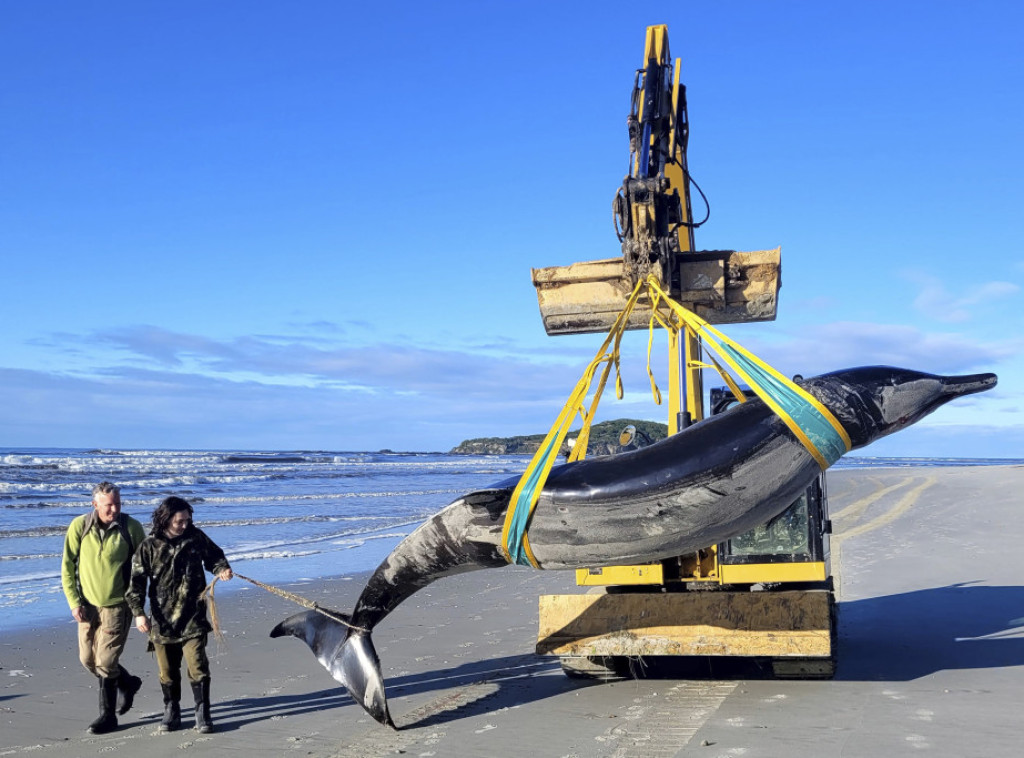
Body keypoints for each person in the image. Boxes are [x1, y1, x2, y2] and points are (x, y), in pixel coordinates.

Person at [125, 496, 232, 733]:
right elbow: (136, 583)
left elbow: (214, 556)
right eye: (180, 521)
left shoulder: (195, 537)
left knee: (197, 665)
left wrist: (222, 568)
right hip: (162, 621)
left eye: (188, 520)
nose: (185, 525)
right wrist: (138, 613)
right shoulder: (149, 546)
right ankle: (171, 710)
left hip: (193, 615)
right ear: (166, 519)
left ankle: (202, 713)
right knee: (167, 671)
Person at [61, 481, 147, 734]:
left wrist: (140, 607)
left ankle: (107, 717)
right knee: (88, 660)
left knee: (106, 662)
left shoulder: (131, 528)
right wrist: (74, 602)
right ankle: (128, 683)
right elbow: (67, 567)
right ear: (95, 504)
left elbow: (144, 568)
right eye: (108, 505)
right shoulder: (80, 526)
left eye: (118, 504)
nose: (114, 509)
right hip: (87, 606)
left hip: (118, 606)